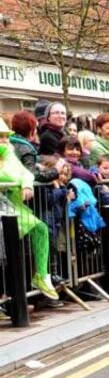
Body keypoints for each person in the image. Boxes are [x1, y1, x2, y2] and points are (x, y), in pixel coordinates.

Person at [0, 118, 59, 299]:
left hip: (10, 205)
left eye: (5, 137)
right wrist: (21, 182)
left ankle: (41, 275)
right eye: (0, 137)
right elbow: (7, 176)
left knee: (40, 229)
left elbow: (25, 173)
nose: (4, 141)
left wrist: (26, 183)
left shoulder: (8, 154)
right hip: (5, 207)